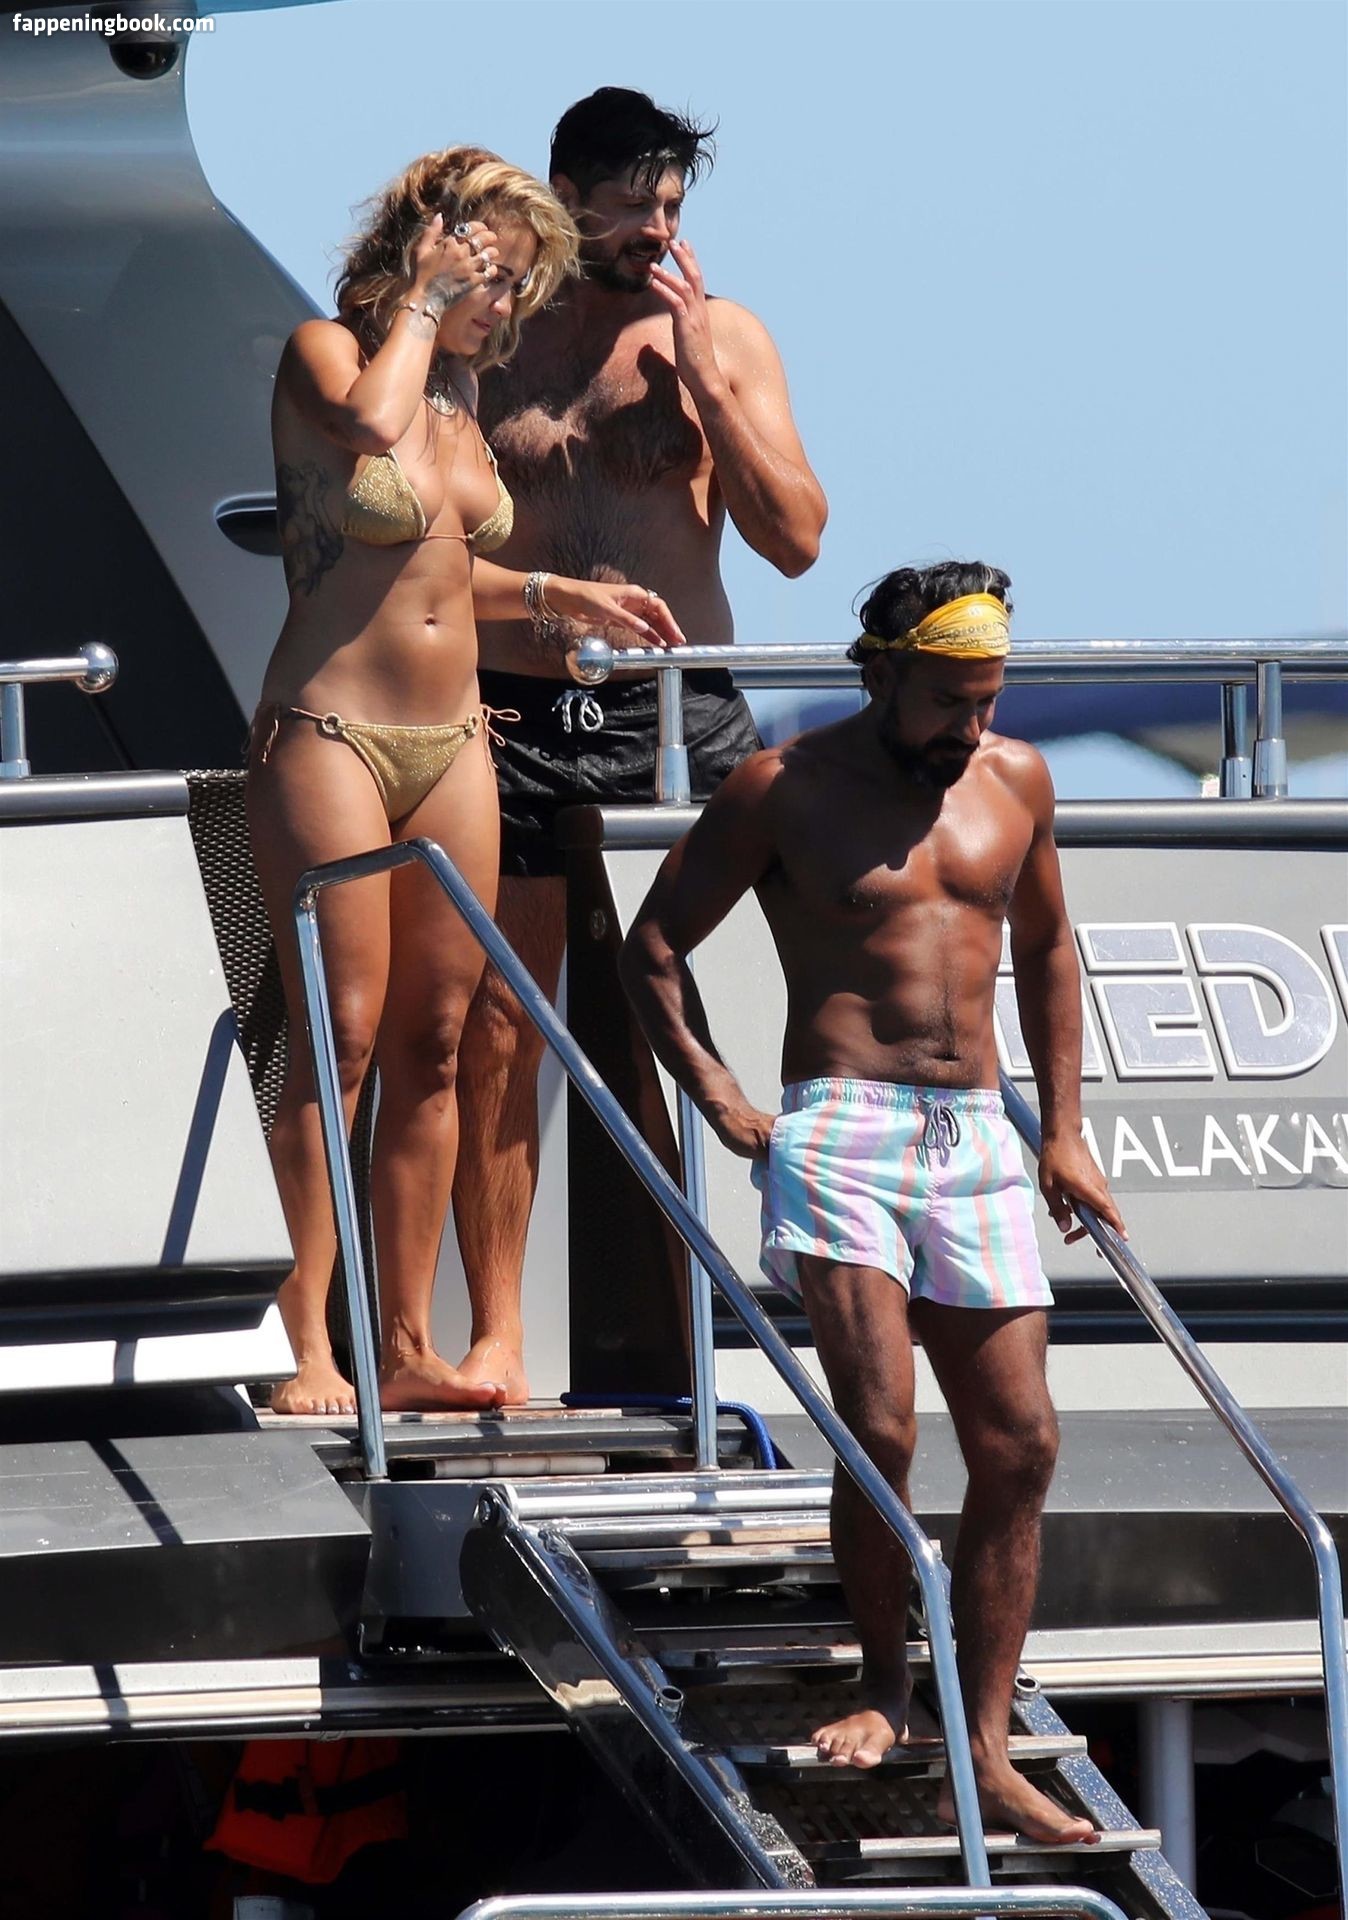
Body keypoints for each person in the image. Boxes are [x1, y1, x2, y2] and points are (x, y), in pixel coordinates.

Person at [618, 561, 1127, 1846]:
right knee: (883, 1429)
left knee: (1021, 1444)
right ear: (883, 670)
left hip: (981, 1133)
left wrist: (1064, 1132)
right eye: (948, 698)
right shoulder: (780, 787)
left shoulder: (1016, 780)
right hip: (842, 1128)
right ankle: (886, 1684)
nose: (971, 723)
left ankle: (986, 1747)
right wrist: (723, 1098)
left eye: (987, 698)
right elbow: (654, 946)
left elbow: (1046, 949)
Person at [249, 146, 684, 1418]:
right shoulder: (331, 356)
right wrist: (427, 300)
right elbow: (367, 435)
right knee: (341, 1032)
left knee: (437, 1043)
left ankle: (404, 1345)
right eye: (494, 276)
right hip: (331, 730)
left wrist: (555, 592)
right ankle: (304, 1343)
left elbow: (442, 566)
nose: (506, 307)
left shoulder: (458, 395)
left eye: (518, 284)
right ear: (429, 251)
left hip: (455, 741)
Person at [453, 88, 828, 1404]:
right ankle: (499, 1335)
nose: (655, 228)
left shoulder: (719, 335)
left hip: (679, 714)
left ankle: (808, 1278)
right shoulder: (492, 337)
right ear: (561, 193)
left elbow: (797, 541)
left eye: (671, 204)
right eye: (629, 204)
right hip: (511, 711)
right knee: (502, 1023)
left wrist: (709, 380)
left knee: (780, 989)